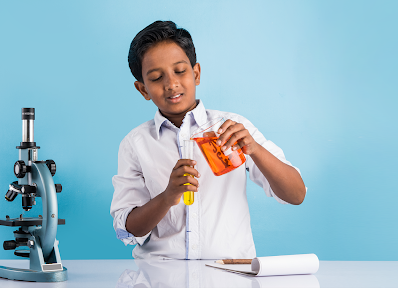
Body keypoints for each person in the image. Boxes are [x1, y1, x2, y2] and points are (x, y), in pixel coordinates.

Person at [110, 20, 306, 260]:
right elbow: (127, 230)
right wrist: (167, 197)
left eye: (180, 71)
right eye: (156, 77)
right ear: (143, 90)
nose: (171, 84)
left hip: (232, 274)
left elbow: (296, 195)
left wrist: (254, 150)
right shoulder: (135, 144)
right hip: (162, 276)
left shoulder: (233, 127)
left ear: (196, 73)